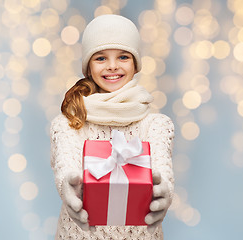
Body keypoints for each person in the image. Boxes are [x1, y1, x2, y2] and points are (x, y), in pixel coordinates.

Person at [50, 14, 175, 239]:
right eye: (100, 58)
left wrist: (164, 191)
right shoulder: (68, 123)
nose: (112, 66)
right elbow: (65, 163)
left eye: (123, 56)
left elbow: (162, 170)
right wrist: (68, 185)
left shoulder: (156, 125)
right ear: (88, 67)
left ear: (136, 64)